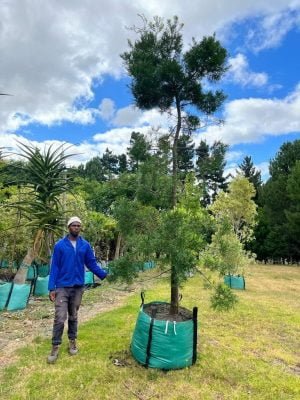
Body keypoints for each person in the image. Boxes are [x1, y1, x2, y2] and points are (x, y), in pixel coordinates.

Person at [47, 216, 107, 364]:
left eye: (79, 226)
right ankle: (55, 346)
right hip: (62, 287)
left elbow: (91, 263)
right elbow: (54, 266)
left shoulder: (85, 245)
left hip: (78, 287)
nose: (76, 228)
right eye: (74, 225)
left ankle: (72, 341)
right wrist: (51, 288)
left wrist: (104, 275)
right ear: (68, 227)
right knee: (60, 318)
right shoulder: (60, 245)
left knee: (73, 316)